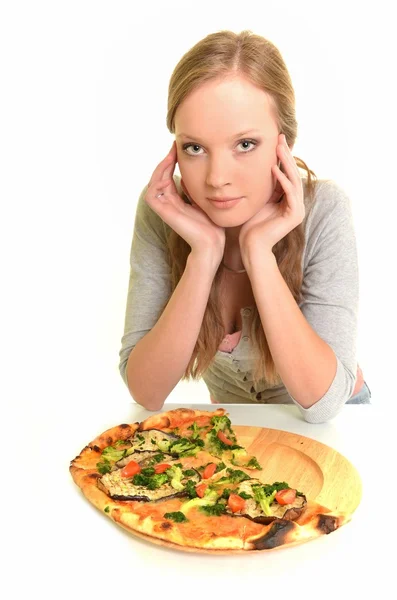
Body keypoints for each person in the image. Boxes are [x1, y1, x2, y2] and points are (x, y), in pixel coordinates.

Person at [118, 30, 371, 423]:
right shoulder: (163, 211)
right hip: (242, 430)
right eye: (195, 148)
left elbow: (322, 405)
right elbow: (147, 392)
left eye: (245, 144)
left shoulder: (324, 210)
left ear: (283, 144)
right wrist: (202, 255)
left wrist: (259, 254)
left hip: (342, 424)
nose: (217, 178)